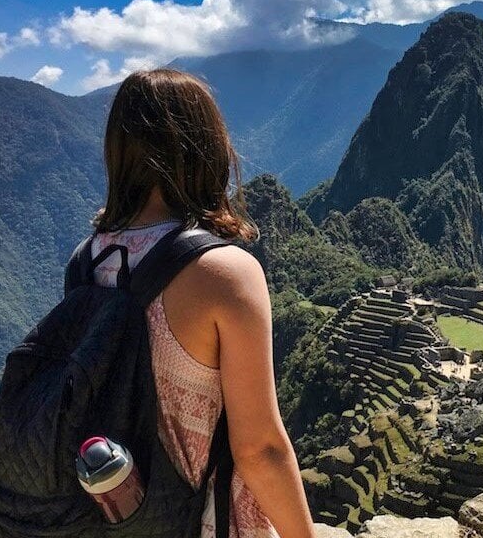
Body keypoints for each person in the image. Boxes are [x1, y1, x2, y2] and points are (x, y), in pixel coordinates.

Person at [87, 69, 315, 538]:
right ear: (207, 149)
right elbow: (259, 449)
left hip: (112, 515)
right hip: (199, 521)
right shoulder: (223, 273)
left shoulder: (87, 260)